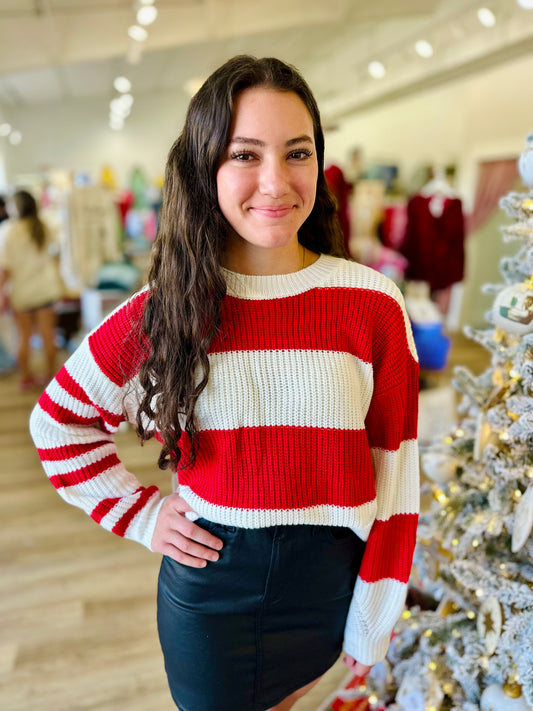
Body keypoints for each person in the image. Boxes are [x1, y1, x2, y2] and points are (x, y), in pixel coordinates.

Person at [29, 56, 419, 711]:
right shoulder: (168, 308)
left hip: (330, 584)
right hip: (212, 597)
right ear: (204, 165)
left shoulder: (370, 303)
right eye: (245, 154)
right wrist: (144, 514)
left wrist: (375, 611)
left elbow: (397, 472)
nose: (275, 181)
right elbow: (56, 422)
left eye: (296, 153)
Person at [0, 190, 63, 390]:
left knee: (23, 337)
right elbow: (56, 253)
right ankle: (50, 376)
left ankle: (26, 377)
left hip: (22, 292)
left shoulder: (8, 230)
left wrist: (1, 291)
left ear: (16, 207)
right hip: (46, 289)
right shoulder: (45, 226)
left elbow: (5, 268)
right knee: (48, 335)